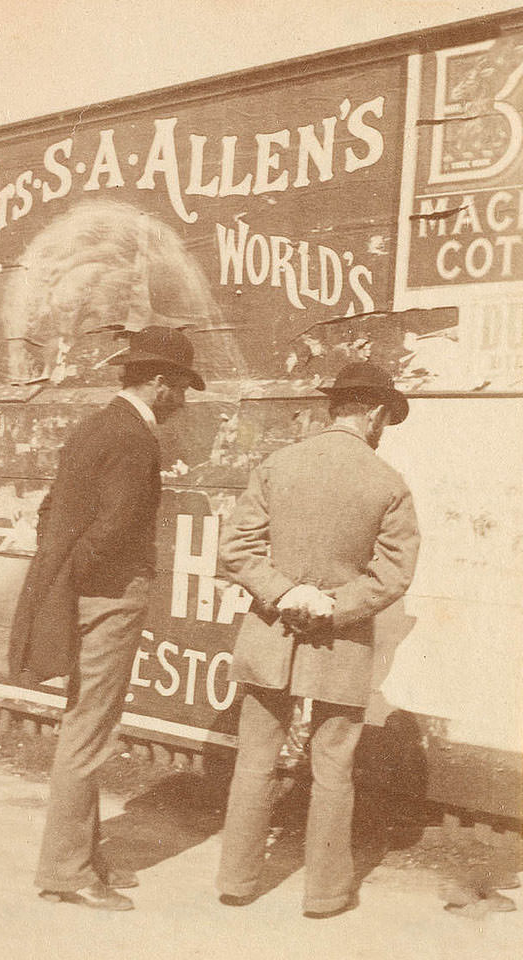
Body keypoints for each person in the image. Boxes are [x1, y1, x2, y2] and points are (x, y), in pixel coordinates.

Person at [10, 325, 205, 912]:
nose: (184, 402)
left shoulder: (95, 426)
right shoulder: (136, 439)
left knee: (83, 721)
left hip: (81, 593)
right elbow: (116, 526)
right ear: (161, 383)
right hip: (109, 597)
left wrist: (66, 576)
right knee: (89, 731)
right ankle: (66, 871)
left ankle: (84, 855)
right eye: (183, 388)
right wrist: (86, 579)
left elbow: (51, 512)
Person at [216, 361, 420, 918]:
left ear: (337, 406)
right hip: (343, 640)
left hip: (269, 632)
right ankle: (325, 895)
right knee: (333, 766)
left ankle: (236, 881)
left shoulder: (277, 465)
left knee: (255, 759)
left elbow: (236, 550)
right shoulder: (388, 483)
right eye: (385, 418)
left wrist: (284, 594)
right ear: (375, 412)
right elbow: (395, 575)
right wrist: (333, 606)